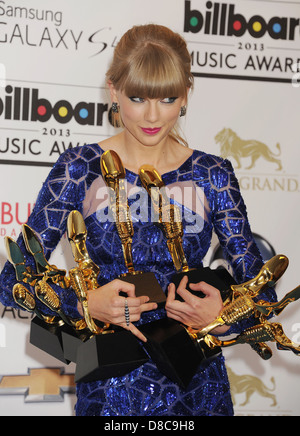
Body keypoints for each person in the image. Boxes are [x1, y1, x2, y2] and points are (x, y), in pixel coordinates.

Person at [0, 24, 276, 416]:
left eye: (167, 97)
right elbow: (13, 281)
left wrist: (224, 315)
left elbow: (262, 295)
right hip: (110, 388)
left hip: (197, 384)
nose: (152, 115)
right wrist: (84, 302)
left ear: (186, 95)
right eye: (137, 97)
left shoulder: (212, 173)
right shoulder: (80, 168)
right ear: (113, 91)